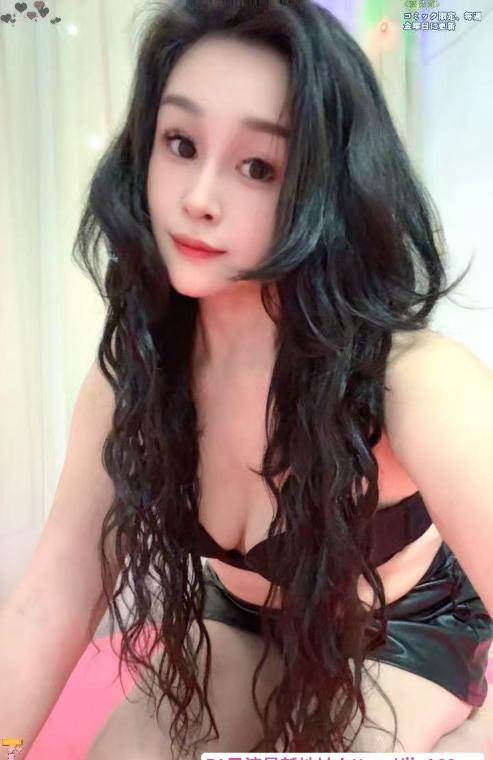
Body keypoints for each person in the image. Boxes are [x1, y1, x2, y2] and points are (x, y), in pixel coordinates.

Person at [1, 1, 492, 758]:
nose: (198, 197)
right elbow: (53, 597)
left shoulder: (414, 382)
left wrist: (479, 741)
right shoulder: (135, 374)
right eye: (180, 143)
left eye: (258, 166)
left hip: (400, 627)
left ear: (326, 187)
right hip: (242, 621)